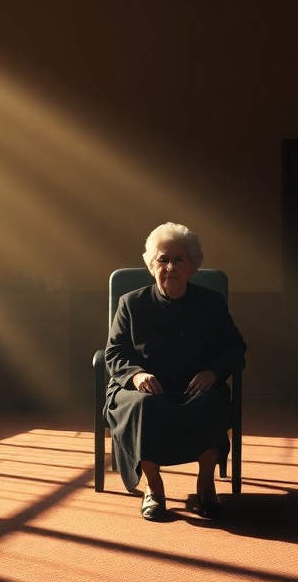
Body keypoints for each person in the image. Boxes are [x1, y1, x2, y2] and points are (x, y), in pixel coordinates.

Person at [104, 222, 247, 521]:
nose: (170, 267)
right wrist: (136, 375)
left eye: (179, 260)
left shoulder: (211, 303)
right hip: (142, 389)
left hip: (195, 387)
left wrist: (213, 371)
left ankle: (206, 486)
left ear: (192, 266)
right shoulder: (130, 304)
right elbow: (113, 353)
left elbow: (235, 347)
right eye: (163, 260)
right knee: (142, 406)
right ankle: (153, 489)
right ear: (151, 265)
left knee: (212, 401)